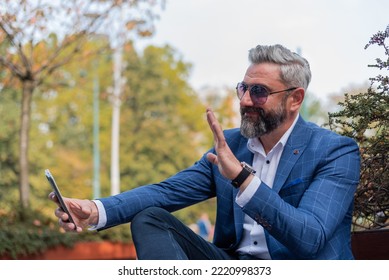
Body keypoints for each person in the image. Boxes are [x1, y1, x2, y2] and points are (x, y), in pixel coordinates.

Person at [49, 44, 360, 260]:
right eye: (244, 88)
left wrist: (241, 178)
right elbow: (166, 192)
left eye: (260, 92)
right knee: (150, 218)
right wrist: (95, 209)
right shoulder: (229, 146)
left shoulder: (335, 152)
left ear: (295, 99)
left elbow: (309, 237)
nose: (246, 100)